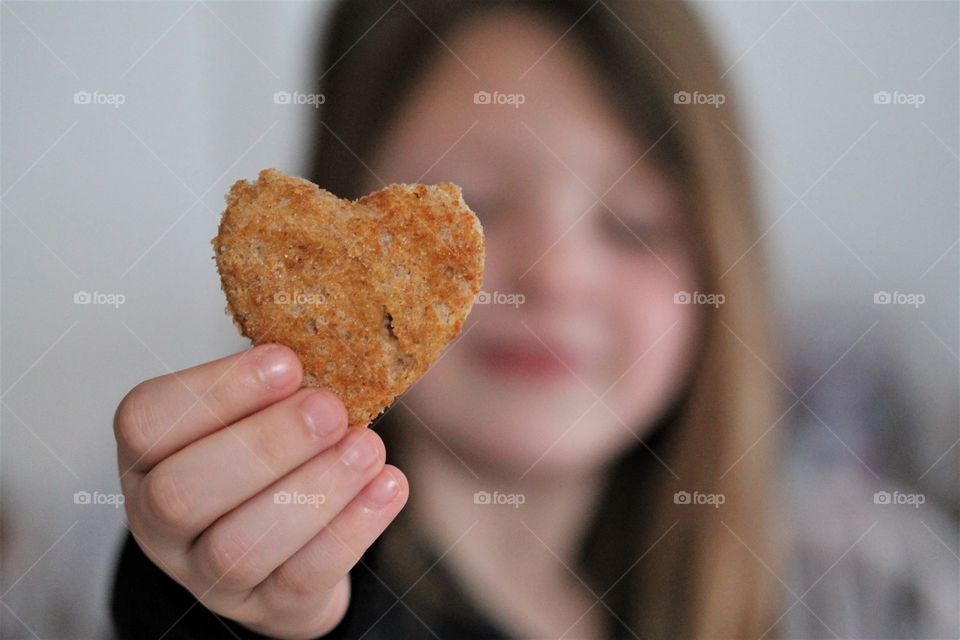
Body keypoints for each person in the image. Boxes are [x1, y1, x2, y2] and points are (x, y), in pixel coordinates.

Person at [110, 1, 955, 638]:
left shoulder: (852, 587)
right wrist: (229, 598)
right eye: (475, 206)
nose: (553, 276)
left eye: (633, 226)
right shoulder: (306, 605)